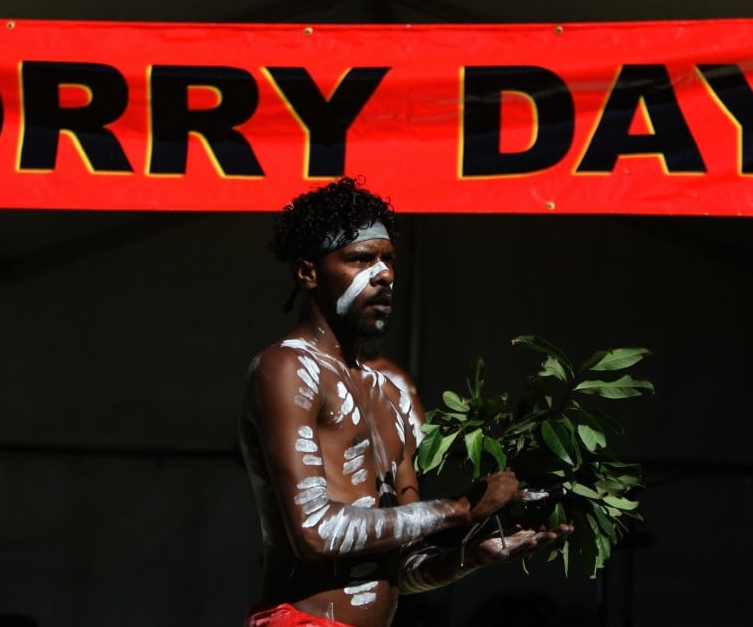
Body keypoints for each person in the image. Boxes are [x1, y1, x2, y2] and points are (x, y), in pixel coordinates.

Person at [239, 178, 570, 627]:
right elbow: (313, 534)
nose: (385, 275)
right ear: (309, 272)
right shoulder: (286, 369)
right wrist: (457, 509)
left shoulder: (389, 393)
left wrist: (471, 555)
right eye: (360, 258)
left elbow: (404, 569)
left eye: (389, 259)